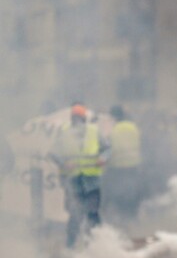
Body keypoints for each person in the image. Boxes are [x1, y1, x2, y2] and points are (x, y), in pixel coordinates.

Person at [49, 103, 110, 248]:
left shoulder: (94, 132)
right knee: (75, 215)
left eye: (79, 119)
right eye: (74, 119)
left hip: (91, 181)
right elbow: (53, 153)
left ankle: (95, 246)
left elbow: (107, 148)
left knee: (93, 214)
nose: (77, 122)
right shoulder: (64, 132)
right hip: (73, 182)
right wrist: (64, 163)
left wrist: (103, 158)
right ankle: (70, 245)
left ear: (84, 119)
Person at [103, 105, 143, 223]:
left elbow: (108, 148)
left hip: (117, 166)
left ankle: (121, 217)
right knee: (132, 191)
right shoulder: (133, 127)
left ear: (113, 116)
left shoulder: (112, 129)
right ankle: (132, 216)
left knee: (119, 192)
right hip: (134, 165)